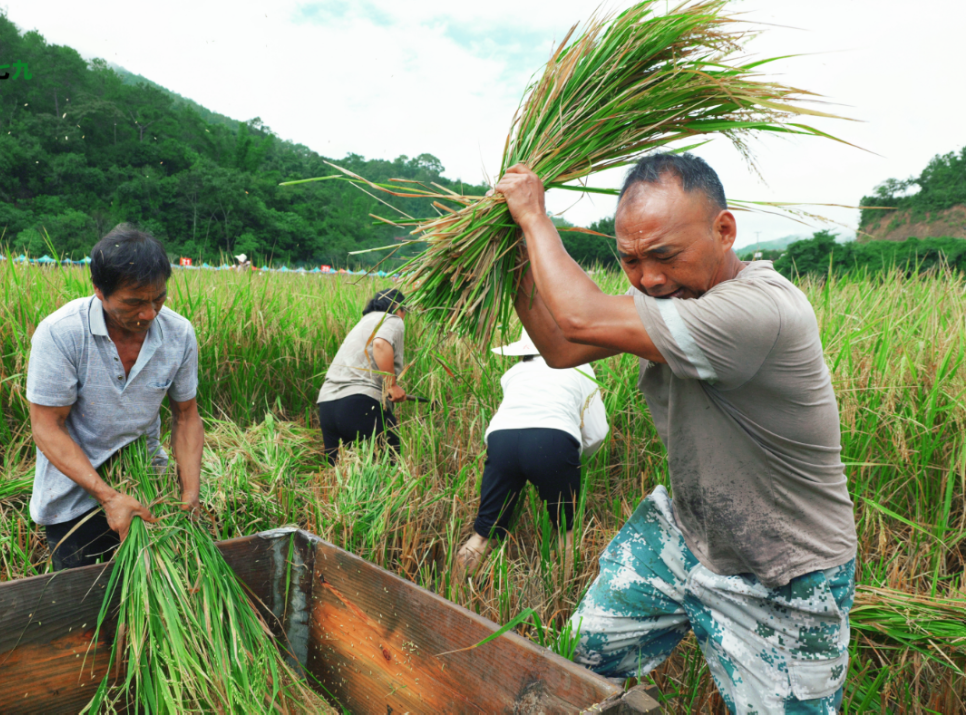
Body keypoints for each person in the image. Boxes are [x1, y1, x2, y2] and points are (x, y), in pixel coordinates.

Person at [492, 153, 857, 714]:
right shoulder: (671, 299)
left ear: (724, 229)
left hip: (783, 569)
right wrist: (512, 249)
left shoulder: (755, 311)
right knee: (573, 667)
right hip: (682, 534)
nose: (651, 279)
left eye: (665, 256)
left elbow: (579, 317)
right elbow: (562, 346)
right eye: (631, 261)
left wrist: (535, 217)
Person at [27, 224, 204, 571]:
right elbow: (47, 427)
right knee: (87, 610)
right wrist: (108, 497)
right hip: (73, 496)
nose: (149, 314)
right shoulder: (62, 333)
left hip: (148, 490)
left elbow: (186, 415)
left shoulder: (178, 333)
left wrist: (189, 493)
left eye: (159, 298)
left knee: (155, 598)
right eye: (134, 302)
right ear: (99, 291)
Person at [455, 327, 608, 581]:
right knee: (564, 531)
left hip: (501, 440)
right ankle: (562, 598)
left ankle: (453, 594)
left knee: (485, 533)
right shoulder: (580, 368)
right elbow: (598, 432)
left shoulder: (513, 373)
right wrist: (574, 460)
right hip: (553, 439)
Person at [318, 289, 407, 464]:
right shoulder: (392, 319)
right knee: (391, 467)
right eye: (405, 312)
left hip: (327, 405)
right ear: (398, 307)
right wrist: (392, 385)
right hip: (357, 403)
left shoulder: (364, 321)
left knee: (338, 475)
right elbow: (380, 344)